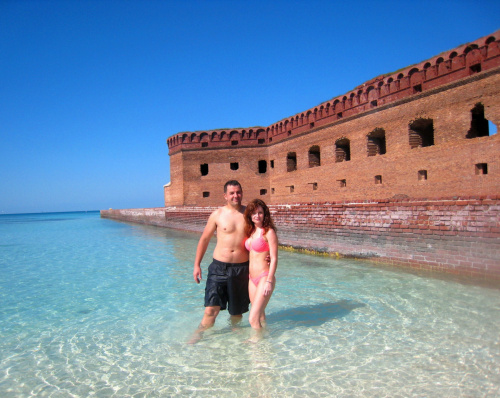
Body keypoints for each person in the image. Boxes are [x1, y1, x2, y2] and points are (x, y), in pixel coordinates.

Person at [190, 180, 249, 343]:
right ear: (225, 196)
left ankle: (235, 334)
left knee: (237, 312)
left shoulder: (249, 214)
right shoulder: (217, 215)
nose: (235, 195)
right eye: (232, 193)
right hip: (219, 268)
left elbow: (261, 237)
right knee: (211, 309)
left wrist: (266, 257)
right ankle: (199, 334)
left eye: (238, 192)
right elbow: (204, 239)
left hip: (242, 269)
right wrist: (197, 265)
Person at [243, 199, 278, 330]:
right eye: (254, 213)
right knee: (260, 315)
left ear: (265, 214)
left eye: (260, 212)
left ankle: (256, 346)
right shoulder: (250, 232)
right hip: (252, 279)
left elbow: (274, 258)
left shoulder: (269, 232)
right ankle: (265, 340)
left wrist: (269, 280)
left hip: (264, 277)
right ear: (250, 215)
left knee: (252, 318)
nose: (257, 216)